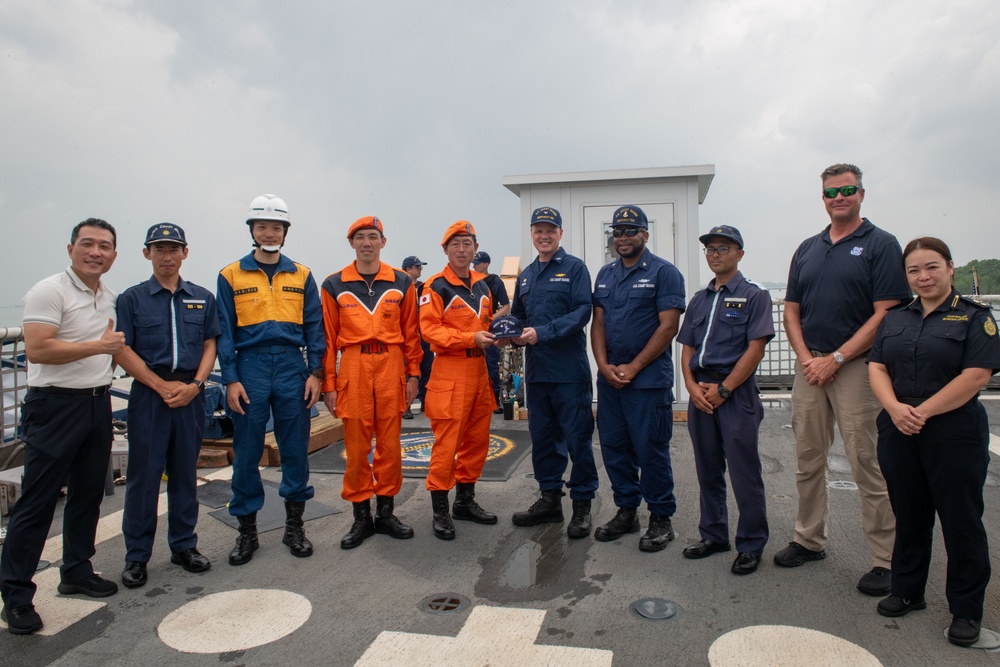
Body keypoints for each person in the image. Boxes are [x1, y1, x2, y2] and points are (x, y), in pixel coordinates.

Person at [776, 163, 910, 597]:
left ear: (862, 194)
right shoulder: (808, 248)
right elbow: (791, 309)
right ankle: (809, 538)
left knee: (866, 461)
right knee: (808, 458)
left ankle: (886, 560)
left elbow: (887, 310)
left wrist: (836, 357)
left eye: (848, 190)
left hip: (855, 367)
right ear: (823, 198)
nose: (840, 197)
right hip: (809, 366)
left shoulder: (881, 244)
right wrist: (805, 358)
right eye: (832, 192)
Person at [868, 237, 1000, 647]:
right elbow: (876, 366)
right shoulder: (895, 318)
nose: (923, 277)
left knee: (960, 520)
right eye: (914, 270)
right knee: (909, 514)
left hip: (952, 432)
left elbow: (976, 376)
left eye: (931, 267)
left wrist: (920, 412)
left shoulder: (976, 317)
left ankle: (965, 608)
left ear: (950, 268)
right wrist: (894, 409)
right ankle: (907, 590)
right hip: (898, 428)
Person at [0, 219, 124, 635]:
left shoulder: (108, 297)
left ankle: (76, 571)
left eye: (104, 246)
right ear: (71, 248)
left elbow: (115, 354)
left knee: (88, 495)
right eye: (87, 244)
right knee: (37, 502)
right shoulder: (48, 290)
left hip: (96, 402)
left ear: (114, 254)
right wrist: (100, 347)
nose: (95, 252)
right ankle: (16, 596)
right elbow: (38, 348)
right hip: (54, 406)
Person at [217, 194, 326, 565]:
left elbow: (315, 326)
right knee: (247, 451)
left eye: (276, 227)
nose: (269, 232)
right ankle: (247, 532)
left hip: (293, 368)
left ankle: (294, 527)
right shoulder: (230, 275)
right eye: (262, 225)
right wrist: (230, 379)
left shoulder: (303, 274)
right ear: (251, 230)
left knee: (295, 448)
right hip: (250, 367)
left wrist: (315, 373)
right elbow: (225, 333)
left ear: (285, 232)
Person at [114, 223, 220, 588]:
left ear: (185, 253)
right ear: (147, 254)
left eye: (174, 249)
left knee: (184, 475)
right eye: (159, 249)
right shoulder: (132, 299)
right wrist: (160, 385)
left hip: (190, 396)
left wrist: (196, 385)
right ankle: (137, 556)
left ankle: (184, 546)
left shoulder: (202, 297)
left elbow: (210, 344)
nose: (167, 256)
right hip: (149, 395)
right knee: (143, 479)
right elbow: (122, 348)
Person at [677, 225, 774, 575]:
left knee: (744, 472)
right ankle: (713, 534)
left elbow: (756, 348)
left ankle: (750, 543)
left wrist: (726, 389)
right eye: (711, 249)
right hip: (701, 393)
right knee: (707, 469)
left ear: (739, 254)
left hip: (734, 394)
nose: (715, 254)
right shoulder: (699, 300)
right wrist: (690, 386)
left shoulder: (754, 295)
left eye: (723, 248)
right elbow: (687, 346)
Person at [320, 216, 422, 549]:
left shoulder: (401, 282)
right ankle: (361, 517)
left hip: (391, 364)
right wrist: (330, 385)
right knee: (358, 446)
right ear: (351, 243)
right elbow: (327, 340)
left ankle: (387, 513)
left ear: (383, 241)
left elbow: (412, 334)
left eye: (373, 237)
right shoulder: (334, 284)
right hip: (354, 365)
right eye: (360, 237)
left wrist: (413, 374)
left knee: (391, 444)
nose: (367, 242)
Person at [591, 205, 685, 552]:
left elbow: (668, 326)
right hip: (611, 381)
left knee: (651, 450)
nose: (623, 238)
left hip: (646, 383)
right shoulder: (605, 274)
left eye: (631, 231)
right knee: (615, 448)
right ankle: (627, 511)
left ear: (645, 234)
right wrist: (602, 366)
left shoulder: (664, 273)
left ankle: (661, 518)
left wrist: (633, 367)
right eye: (618, 232)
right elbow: (597, 323)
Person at [508, 207, 597, 538]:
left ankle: (583, 505)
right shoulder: (527, 274)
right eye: (538, 230)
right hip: (537, 372)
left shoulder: (574, 269)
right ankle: (549, 500)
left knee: (577, 439)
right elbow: (518, 315)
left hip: (568, 372)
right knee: (543, 440)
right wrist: (511, 332)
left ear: (560, 234)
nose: (543, 235)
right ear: (532, 234)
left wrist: (541, 333)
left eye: (550, 230)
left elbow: (582, 311)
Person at [420, 220, 498, 540]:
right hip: (450, 369)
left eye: (467, 244)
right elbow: (430, 330)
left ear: (475, 248)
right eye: (455, 244)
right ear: (445, 250)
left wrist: (500, 332)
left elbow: (488, 322)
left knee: (477, 440)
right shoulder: (435, 286)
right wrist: (471, 338)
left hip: (479, 370)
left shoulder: (483, 285)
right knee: (447, 444)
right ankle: (440, 510)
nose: (462, 250)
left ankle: (465, 502)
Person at [472, 251, 511, 414]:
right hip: (471, 328)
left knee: (491, 364)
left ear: (486, 264)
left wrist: (490, 318)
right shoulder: (469, 280)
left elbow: (506, 306)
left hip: (488, 328)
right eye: (474, 263)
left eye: (478, 263)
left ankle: (496, 400)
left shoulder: (494, 281)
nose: (474, 265)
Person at [401, 255, 432, 420]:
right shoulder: (398, 286)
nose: (420, 270)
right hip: (406, 334)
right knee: (407, 370)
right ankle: (405, 406)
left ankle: (426, 401)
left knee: (427, 367)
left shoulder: (423, 287)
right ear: (408, 269)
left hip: (423, 333)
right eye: (417, 267)